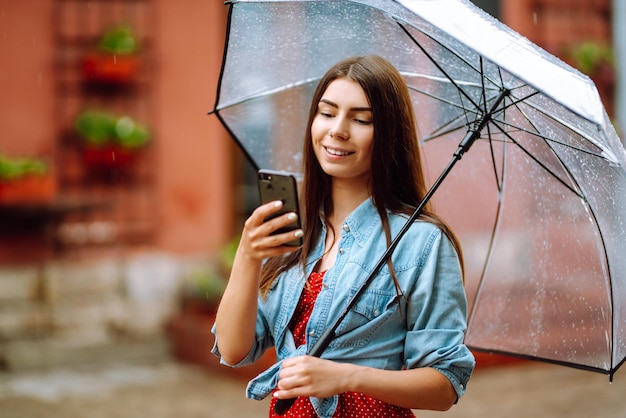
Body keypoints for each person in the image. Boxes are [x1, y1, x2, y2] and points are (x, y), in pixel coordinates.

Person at [212, 55, 475, 417]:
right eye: (327, 112)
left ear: (389, 135)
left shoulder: (422, 243)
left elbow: (445, 386)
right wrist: (248, 256)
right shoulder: (294, 233)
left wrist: (346, 376)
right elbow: (232, 349)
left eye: (361, 119)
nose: (337, 129)